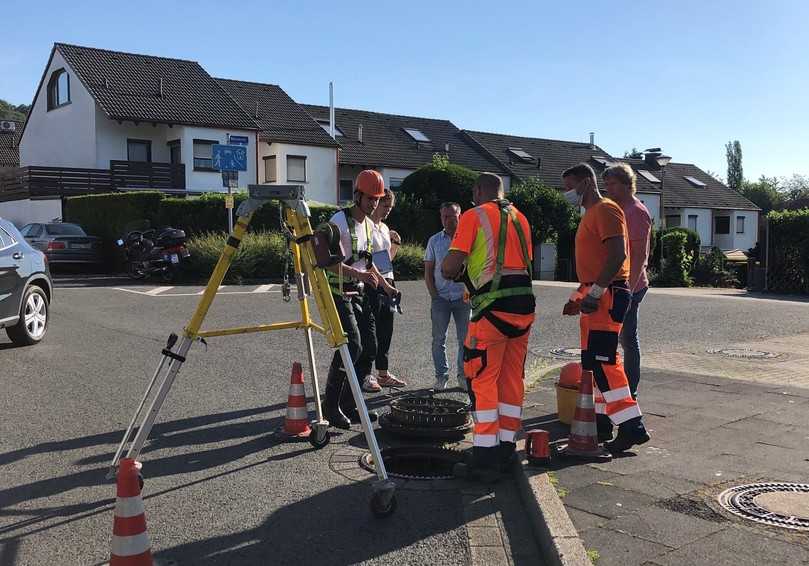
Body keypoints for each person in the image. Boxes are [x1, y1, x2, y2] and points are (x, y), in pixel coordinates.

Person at [442, 173, 536, 482]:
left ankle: (484, 458)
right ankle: (506, 450)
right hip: (523, 308)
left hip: (491, 310)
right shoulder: (521, 218)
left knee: (481, 379)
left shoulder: (474, 215)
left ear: (478, 190)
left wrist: (452, 270)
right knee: (511, 379)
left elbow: (450, 267)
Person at [561, 163, 650, 453]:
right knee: (593, 361)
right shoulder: (593, 213)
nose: (566, 193)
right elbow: (594, 267)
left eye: (570, 187)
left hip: (607, 296)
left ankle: (632, 426)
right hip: (599, 295)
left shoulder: (606, 210)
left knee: (604, 361)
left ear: (586, 183)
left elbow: (617, 256)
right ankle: (601, 422)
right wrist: (578, 297)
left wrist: (595, 293)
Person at [322, 169, 384, 429]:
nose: (374, 204)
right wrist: (358, 274)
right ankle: (330, 406)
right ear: (357, 196)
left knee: (370, 347)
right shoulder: (339, 221)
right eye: (370, 198)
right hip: (338, 292)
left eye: (377, 199)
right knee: (353, 346)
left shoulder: (369, 224)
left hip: (359, 292)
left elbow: (368, 261)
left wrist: (386, 286)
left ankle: (350, 404)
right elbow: (327, 262)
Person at [603, 163, 651, 399]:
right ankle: (616, 384)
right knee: (615, 336)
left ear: (626, 184)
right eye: (606, 184)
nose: (608, 189)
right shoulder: (618, 209)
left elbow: (640, 255)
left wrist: (628, 290)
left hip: (631, 285)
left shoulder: (636, 212)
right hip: (617, 283)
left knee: (628, 338)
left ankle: (630, 389)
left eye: (612, 184)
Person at [361, 188, 407, 391]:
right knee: (369, 332)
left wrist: (394, 244)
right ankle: (365, 375)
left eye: (391, 206)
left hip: (388, 280)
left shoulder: (385, 228)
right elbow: (367, 261)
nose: (388, 209)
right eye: (385, 205)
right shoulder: (366, 226)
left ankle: (383, 373)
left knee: (386, 329)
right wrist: (383, 284)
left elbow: (387, 260)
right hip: (372, 283)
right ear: (376, 203)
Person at [424, 202, 471, 390]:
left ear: (460, 216)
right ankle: (441, 377)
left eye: (452, 216)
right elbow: (428, 271)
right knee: (438, 339)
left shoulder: (468, 239)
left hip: (463, 297)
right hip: (441, 298)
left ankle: (463, 376)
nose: (448, 220)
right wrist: (434, 296)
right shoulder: (434, 241)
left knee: (465, 339)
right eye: (444, 216)